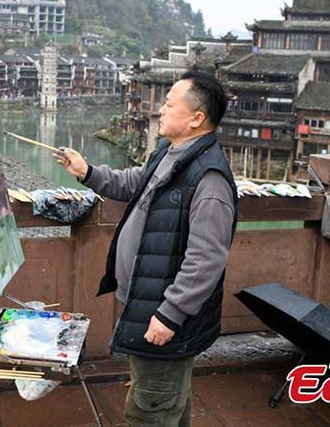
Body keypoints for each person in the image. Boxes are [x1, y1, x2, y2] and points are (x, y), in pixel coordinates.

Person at [55, 71, 237, 426]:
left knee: (150, 408)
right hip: (147, 300)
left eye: (170, 103)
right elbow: (132, 182)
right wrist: (87, 171)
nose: (161, 109)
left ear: (197, 118)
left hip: (165, 314)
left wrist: (170, 314)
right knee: (168, 401)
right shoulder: (171, 152)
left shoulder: (209, 178)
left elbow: (205, 261)